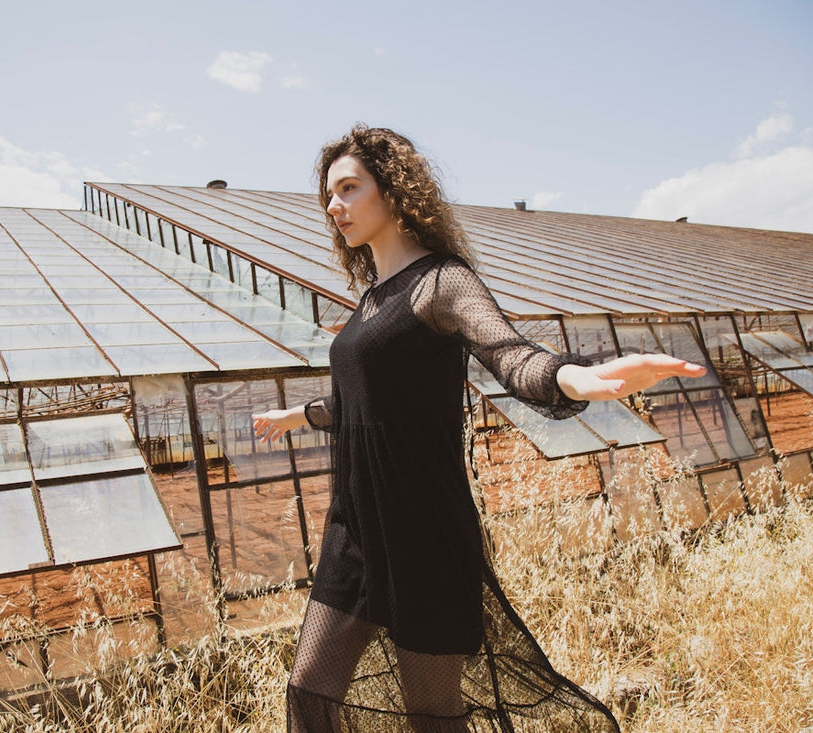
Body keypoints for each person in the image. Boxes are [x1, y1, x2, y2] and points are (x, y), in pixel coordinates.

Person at [252, 125, 706, 732]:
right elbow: (367, 402)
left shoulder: (442, 282)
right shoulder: (370, 302)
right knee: (310, 694)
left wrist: (578, 378)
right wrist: (298, 415)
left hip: (423, 532)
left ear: (392, 190)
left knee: (432, 715)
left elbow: (510, 354)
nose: (333, 205)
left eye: (349, 187)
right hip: (354, 529)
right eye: (328, 194)